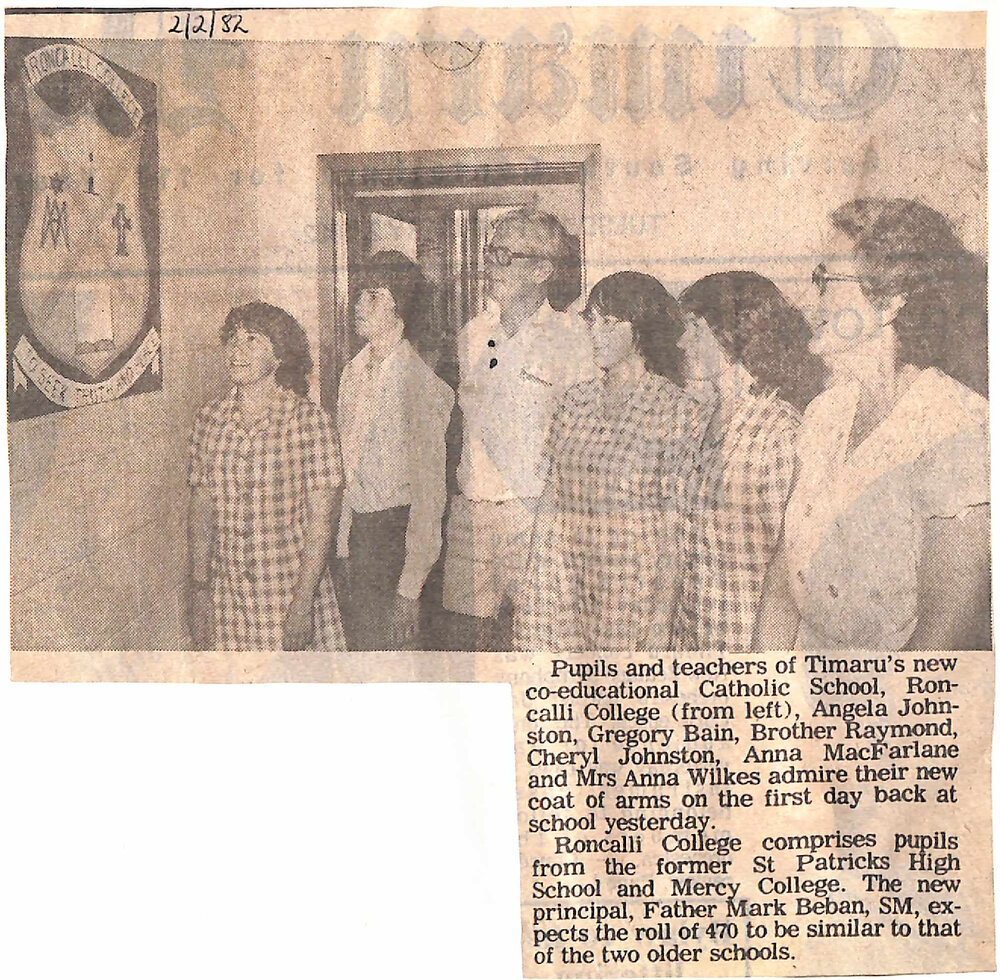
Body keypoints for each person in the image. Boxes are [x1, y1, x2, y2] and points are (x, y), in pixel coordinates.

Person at [757, 198, 989, 651]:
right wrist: (770, 694)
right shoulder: (825, 413)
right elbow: (786, 577)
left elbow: (947, 626)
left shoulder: (957, 428)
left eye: (825, 281)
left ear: (891, 301)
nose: (809, 300)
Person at [514, 272, 704, 651]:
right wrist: (534, 586)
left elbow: (675, 530)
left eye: (610, 323)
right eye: (592, 321)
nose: (595, 333)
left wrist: (660, 622)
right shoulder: (575, 401)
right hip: (566, 580)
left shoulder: (677, 409)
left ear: (642, 329)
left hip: (633, 589)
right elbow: (552, 499)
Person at [442, 207, 597, 650]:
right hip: (471, 515)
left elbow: (582, 438)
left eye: (506, 255)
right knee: (468, 648)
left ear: (543, 269)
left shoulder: (572, 336)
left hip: (535, 514)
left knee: (539, 644)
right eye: (491, 252)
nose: (492, 264)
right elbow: (477, 402)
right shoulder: (476, 333)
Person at [673, 272, 828, 652]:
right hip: (691, 641)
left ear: (734, 331)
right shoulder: (697, 419)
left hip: (748, 648)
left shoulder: (781, 434)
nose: (681, 342)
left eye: (695, 328)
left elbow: (795, 574)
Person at [187, 302, 345, 651]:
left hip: (290, 596)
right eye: (232, 338)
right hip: (227, 600)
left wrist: (302, 606)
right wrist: (199, 590)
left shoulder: (309, 422)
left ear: (279, 355)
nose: (236, 349)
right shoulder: (209, 419)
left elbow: (322, 522)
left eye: (252, 340)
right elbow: (201, 510)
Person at [336, 251, 455, 649]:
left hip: (398, 538)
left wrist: (409, 589)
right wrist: (343, 546)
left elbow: (429, 497)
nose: (358, 306)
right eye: (357, 296)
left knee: (398, 662)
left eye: (372, 296)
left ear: (399, 306)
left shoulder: (419, 383)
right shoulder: (352, 374)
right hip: (359, 538)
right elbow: (348, 469)